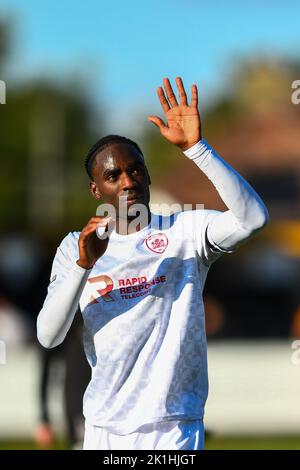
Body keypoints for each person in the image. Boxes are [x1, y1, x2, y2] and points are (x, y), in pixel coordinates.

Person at [37, 77, 268, 450]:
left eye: (135, 170)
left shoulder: (186, 230)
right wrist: (83, 266)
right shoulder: (74, 248)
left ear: (147, 175)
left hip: (173, 426)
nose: (127, 182)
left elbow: (253, 219)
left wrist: (198, 149)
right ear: (96, 190)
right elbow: (49, 336)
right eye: (113, 176)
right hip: (103, 429)